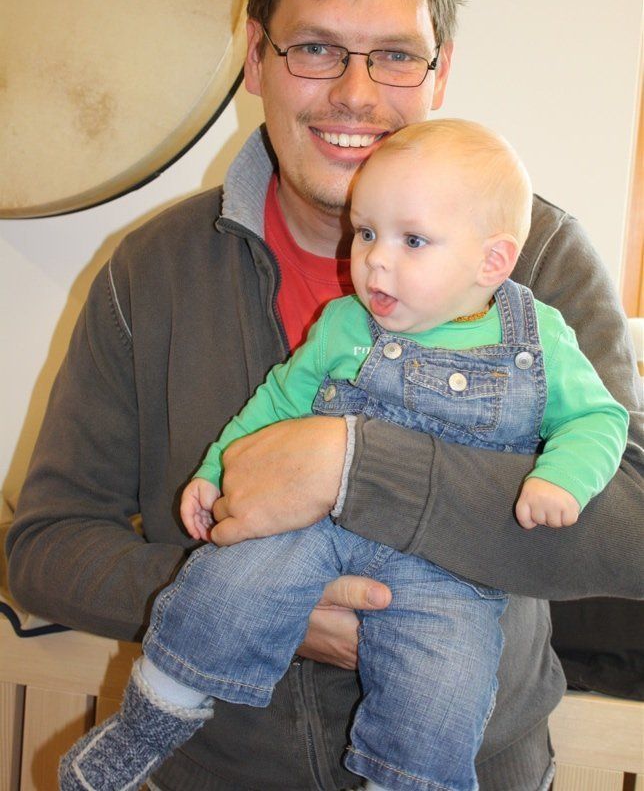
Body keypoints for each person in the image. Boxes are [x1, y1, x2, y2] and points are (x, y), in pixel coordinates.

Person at [6, 0, 643, 791]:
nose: (355, 92)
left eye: (395, 55)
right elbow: (45, 546)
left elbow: (632, 527)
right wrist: (254, 594)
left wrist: (355, 466)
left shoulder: (537, 257)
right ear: (255, 57)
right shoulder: (150, 272)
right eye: (314, 48)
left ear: (440, 72)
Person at [58, 120, 628, 791]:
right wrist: (215, 470)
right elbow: (277, 401)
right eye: (365, 233)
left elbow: (599, 418)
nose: (375, 261)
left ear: (492, 262)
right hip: (316, 531)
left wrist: (562, 478)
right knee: (225, 585)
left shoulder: (539, 340)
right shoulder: (344, 323)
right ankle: (152, 719)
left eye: (412, 241)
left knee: (446, 684)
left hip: (449, 569)